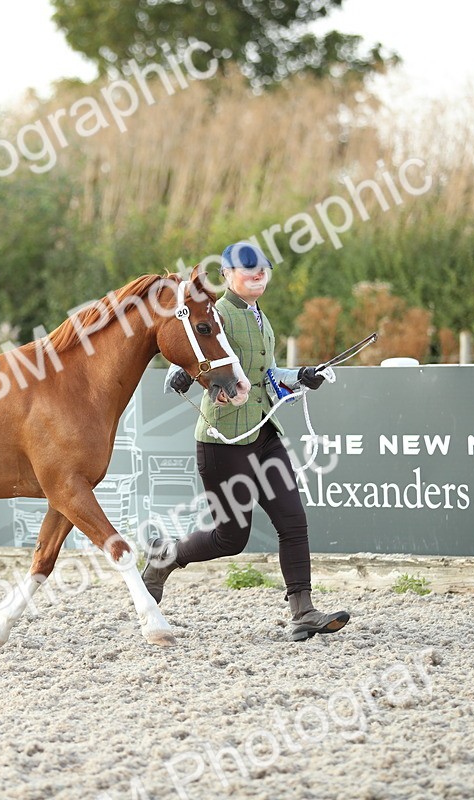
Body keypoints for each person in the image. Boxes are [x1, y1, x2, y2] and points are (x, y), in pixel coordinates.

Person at [142, 241, 350, 642]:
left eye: (263, 270)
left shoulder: (261, 319)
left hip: (265, 435)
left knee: (293, 521)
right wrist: (182, 374)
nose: (258, 275)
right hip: (224, 440)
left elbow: (269, 374)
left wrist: (302, 376)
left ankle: (303, 611)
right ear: (227, 276)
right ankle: (164, 556)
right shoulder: (214, 315)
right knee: (230, 539)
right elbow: (180, 369)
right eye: (248, 269)